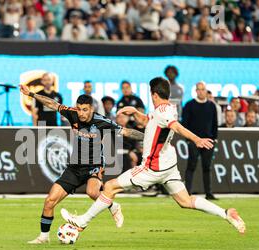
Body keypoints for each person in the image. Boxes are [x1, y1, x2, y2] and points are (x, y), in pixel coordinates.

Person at [60, 77, 246, 235]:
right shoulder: (167, 109)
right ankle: (226, 213)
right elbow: (152, 121)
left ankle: (82, 222)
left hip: (152, 167)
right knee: (185, 201)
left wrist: (196, 139)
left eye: (151, 94)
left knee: (109, 186)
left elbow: (175, 127)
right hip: (169, 165)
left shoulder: (163, 113)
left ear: (154, 94)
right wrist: (135, 113)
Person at [20, 84, 145, 244]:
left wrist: (150, 139)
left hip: (94, 164)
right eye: (79, 109)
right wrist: (31, 94)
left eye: (85, 109)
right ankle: (43, 237)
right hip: (74, 166)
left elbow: (127, 132)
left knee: (92, 192)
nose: (81, 113)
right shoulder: (72, 115)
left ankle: (113, 207)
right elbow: (52, 103)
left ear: (91, 109)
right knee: (49, 201)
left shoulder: (101, 121)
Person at [182, 81, 218, 200]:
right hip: (193, 140)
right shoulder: (189, 105)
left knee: (207, 167)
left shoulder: (212, 106)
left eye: (203, 89)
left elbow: (214, 123)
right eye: (199, 89)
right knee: (191, 166)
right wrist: (188, 139)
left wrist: (214, 138)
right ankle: (187, 192)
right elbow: (184, 124)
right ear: (196, 91)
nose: (201, 91)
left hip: (208, 141)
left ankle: (209, 193)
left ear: (206, 91)